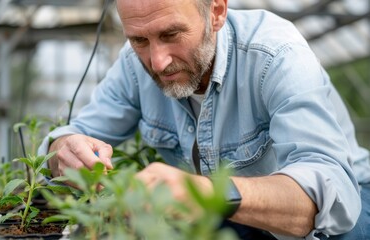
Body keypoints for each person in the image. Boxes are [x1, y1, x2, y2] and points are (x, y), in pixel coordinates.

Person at [38, 0, 370, 239]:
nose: (157, 61)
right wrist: (65, 148)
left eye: (171, 34)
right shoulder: (132, 66)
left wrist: (207, 192)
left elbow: (330, 196)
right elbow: (74, 136)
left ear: (217, 12)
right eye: (139, 40)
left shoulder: (275, 55)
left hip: (349, 203)